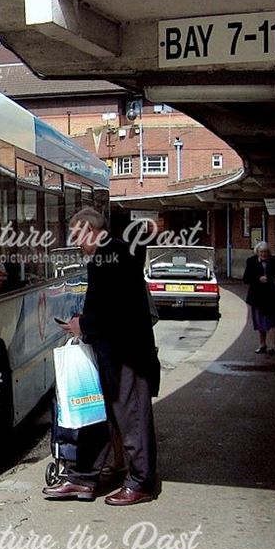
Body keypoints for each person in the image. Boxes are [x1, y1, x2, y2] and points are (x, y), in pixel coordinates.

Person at [42, 207, 161, 506]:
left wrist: (82, 325)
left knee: (131, 418)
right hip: (112, 352)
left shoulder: (112, 256)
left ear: (91, 230)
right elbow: (107, 306)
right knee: (98, 417)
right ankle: (82, 478)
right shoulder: (108, 254)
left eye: (76, 233)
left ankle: (141, 483)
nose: (75, 240)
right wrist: (86, 320)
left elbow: (116, 312)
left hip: (127, 356)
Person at [243, 241, 275, 355]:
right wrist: (258, 279)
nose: (264, 254)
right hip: (257, 297)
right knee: (260, 322)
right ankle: (262, 345)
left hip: (273, 296)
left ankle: (273, 346)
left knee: (272, 321)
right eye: (261, 252)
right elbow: (246, 279)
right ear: (257, 252)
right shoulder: (251, 261)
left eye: (266, 252)